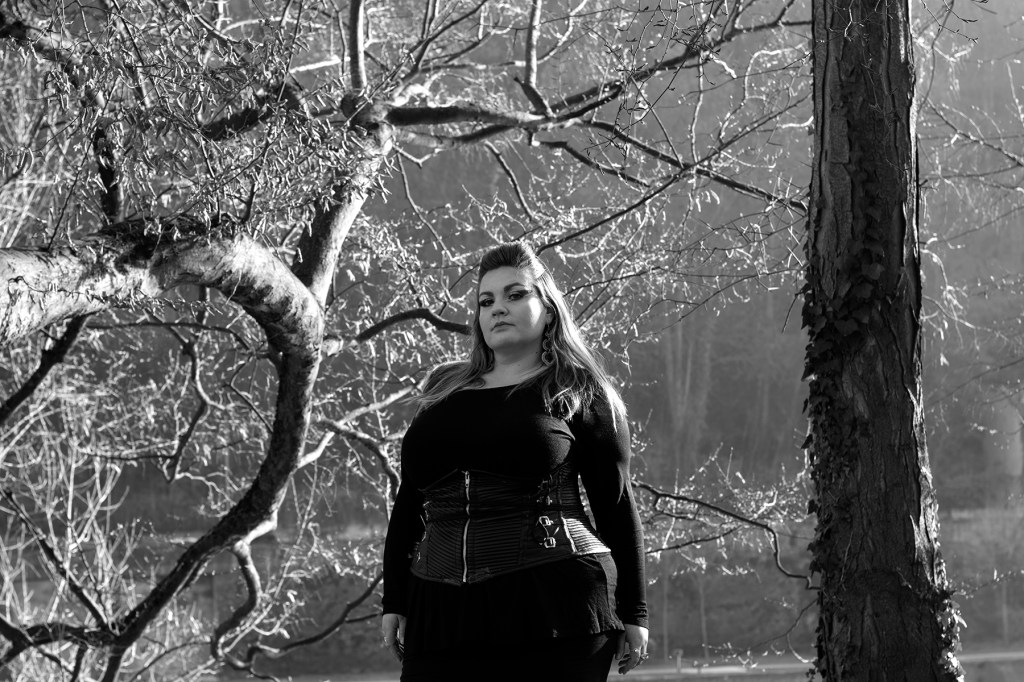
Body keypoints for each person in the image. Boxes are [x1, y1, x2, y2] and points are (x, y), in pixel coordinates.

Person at [381, 241, 649, 681]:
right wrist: (395, 598)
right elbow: (410, 501)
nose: (497, 309)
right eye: (486, 301)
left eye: (515, 294)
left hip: (556, 604)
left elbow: (616, 504)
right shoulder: (442, 389)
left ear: (549, 310)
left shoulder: (578, 390)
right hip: (439, 609)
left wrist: (634, 610)